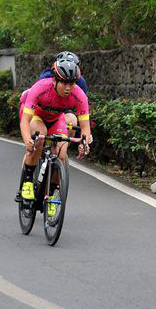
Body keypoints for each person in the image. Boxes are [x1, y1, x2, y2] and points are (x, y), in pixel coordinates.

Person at [18, 58, 93, 206]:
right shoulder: (40, 88)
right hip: (36, 116)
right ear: (54, 80)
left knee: (62, 154)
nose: (68, 88)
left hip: (56, 119)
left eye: (71, 83)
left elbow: (85, 126)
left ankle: (51, 195)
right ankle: (27, 181)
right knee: (39, 136)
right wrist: (27, 140)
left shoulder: (79, 95)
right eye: (64, 83)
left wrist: (84, 142)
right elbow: (25, 121)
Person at [35, 51, 88, 136]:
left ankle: (64, 143)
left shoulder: (81, 81)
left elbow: (82, 107)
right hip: (45, 109)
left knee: (72, 120)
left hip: (64, 110)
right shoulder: (46, 76)